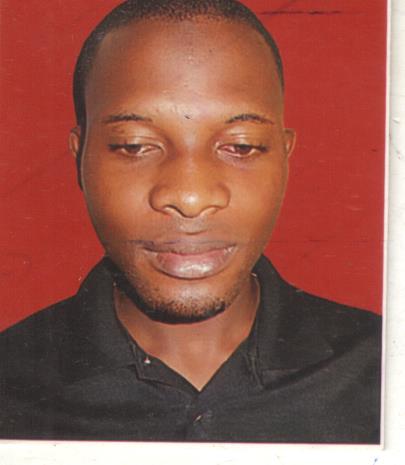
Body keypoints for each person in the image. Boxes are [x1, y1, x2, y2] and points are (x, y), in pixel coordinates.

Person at [0, 0, 381, 443]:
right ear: (79, 159)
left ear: (285, 158)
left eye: (242, 146)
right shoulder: (11, 387)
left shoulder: (385, 371)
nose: (190, 197)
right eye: (134, 145)